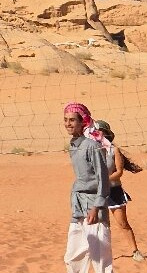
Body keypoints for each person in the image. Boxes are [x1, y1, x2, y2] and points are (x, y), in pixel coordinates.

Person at [63, 102, 113, 273]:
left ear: (82, 122)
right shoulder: (73, 145)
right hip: (78, 207)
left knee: (101, 259)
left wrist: (96, 206)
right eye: (65, 120)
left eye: (72, 120)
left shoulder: (92, 146)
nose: (68, 124)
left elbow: (103, 178)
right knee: (73, 256)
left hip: (93, 206)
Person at [94, 119, 145, 263]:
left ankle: (135, 251)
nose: (95, 133)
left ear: (104, 133)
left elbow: (119, 172)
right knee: (95, 225)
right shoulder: (90, 149)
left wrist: (104, 180)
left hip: (113, 191)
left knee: (122, 223)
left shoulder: (113, 150)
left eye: (98, 130)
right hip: (95, 192)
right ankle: (96, 254)